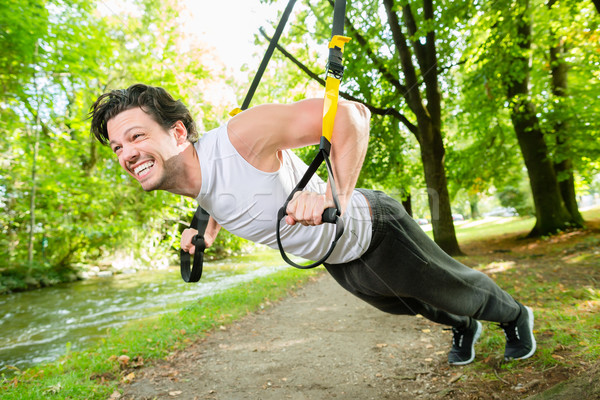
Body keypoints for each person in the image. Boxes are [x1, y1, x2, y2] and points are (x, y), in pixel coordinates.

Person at [89, 83, 536, 366]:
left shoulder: (241, 136)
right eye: (116, 147)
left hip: (374, 230)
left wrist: (331, 196)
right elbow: (227, 199)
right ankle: (464, 326)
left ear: (180, 133)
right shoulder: (194, 185)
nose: (126, 153)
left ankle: (515, 317)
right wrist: (205, 232)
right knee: (408, 303)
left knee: (450, 286)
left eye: (136, 136)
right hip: (334, 258)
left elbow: (352, 116)